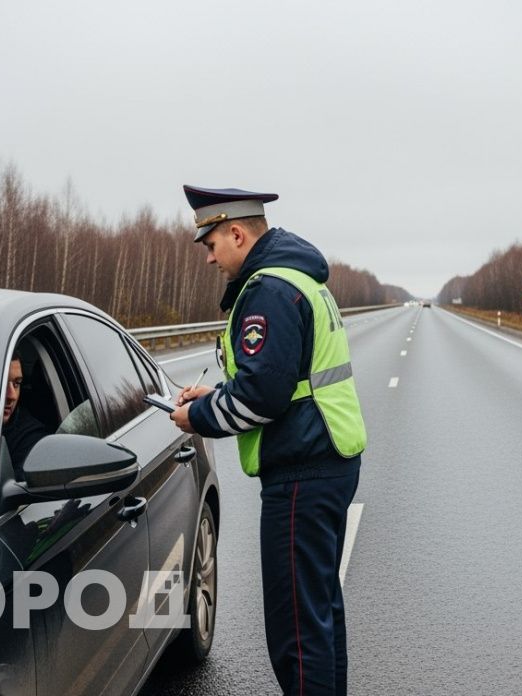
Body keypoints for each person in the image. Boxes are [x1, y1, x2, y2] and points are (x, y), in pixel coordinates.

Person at [170, 185, 366, 696]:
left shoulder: (268, 290)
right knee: (319, 613)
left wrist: (200, 416)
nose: (209, 257)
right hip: (326, 460)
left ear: (237, 232)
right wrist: (218, 394)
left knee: (296, 631)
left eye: (211, 244)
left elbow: (264, 397)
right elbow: (282, 379)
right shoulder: (298, 278)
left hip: (303, 469)